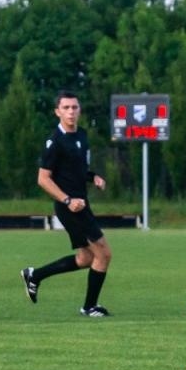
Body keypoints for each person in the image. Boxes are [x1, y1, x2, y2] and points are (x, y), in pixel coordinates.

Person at [19, 91, 114, 317]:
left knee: (86, 258)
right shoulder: (55, 142)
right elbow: (43, 179)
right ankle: (90, 306)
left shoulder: (81, 135)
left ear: (79, 110)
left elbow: (77, 169)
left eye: (74, 107)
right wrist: (67, 200)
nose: (71, 112)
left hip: (82, 204)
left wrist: (93, 177)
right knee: (104, 254)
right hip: (69, 207)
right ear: (57, 111)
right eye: (66, 108)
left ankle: (35, 275)